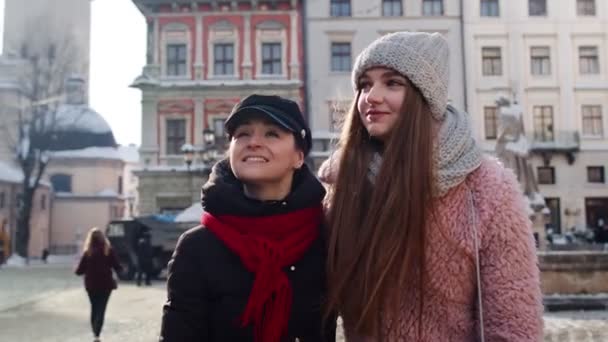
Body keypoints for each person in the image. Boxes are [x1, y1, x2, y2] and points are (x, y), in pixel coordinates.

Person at [319, 32, 543, 341]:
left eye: (392, 83)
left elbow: (514, 327)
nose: (372, 96)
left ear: (425, 95)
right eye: (365, 85)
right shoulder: (342, 185)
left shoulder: (487, 188)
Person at [160, 94, 336, 342]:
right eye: (242, 134)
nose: (253, 142)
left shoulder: (329, 237)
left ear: (298, 156)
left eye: (272, 133)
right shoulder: (197, 247)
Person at [75, 227, 122, 342]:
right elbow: (117, 266)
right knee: (102, 308)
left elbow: (79, 271)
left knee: (94, 307)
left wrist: (78, 269)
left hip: (91, 285)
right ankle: (97, 332)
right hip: (106, 284)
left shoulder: (88, 252)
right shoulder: (108, 250)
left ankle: (95, 333)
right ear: (102, 238)